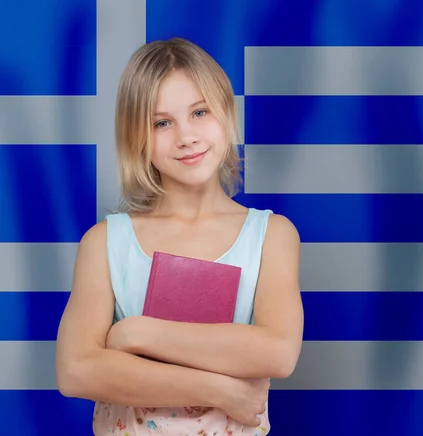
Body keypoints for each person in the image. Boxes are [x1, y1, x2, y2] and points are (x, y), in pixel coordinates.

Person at [54, 37, 304, 435]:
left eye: (199, 112)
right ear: (136, 136)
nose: (186, 136)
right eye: (162, 123)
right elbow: (75, 370)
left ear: (226, 111)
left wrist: (137, 333)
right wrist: (220, 389)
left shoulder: (271, 235)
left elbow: (278, 352)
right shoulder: (105, 243)